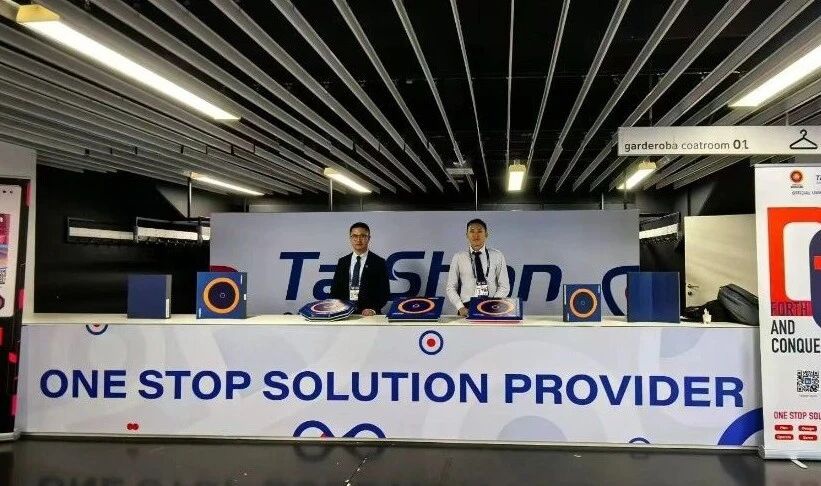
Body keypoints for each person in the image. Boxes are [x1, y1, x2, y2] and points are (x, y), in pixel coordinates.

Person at [446, 218, 511, 317]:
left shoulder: (497, 255)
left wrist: (493, 303)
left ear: (486, 234)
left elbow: (504, 286)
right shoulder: (459, 257)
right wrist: (460, 307)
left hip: (491, 306)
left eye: (480, 231)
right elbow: (451, 287)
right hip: (466, 307)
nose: (476, 235)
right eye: (472, 231)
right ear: (467, 235)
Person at [330, 222, 390, 316]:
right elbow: (335, 290)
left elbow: (384, 292)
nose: (358, 240)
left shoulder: (379, 262)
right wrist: (338, 308)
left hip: (369, 315)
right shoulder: (343, 262)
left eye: (363, 236)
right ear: (350, 238)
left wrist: (373, 309)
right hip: (344, 314)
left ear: (369, 238)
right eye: (355, 236)